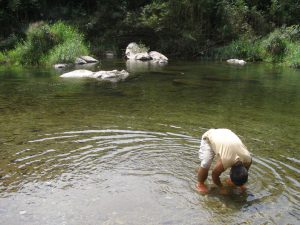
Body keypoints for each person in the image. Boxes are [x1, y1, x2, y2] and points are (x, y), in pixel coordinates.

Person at [196, 128, 252, 194]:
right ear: (230, 172)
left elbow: (244, 171)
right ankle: (200, 183)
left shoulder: (248, 160)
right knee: (206, 164)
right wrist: (221, 187)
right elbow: (214, 175)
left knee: (221, 161)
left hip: (226, 134)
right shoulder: (226, 161)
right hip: (210, 137)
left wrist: (241, 184)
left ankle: (232, 181)